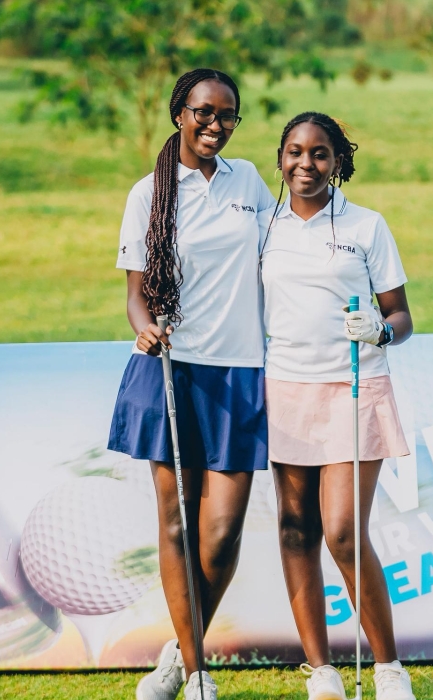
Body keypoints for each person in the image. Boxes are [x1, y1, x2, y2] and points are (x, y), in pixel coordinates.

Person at [108, 68, 275, 700]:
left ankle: (179, 652)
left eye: (227, 115)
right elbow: (134, 296)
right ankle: (198, 672)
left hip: (239, 370)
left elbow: (277, 258)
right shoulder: (146, 192)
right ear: (180, 112)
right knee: (177, 524)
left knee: (223, 530)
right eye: (203, 112)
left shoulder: (250, 181)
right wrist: (146, 328)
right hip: (169, 370)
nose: (215, 124)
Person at [259, 112, 417, 700]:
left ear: (338, 161)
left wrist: (379, 331)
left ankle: (387, 667)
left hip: (355, 387)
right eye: (295, 152)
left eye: (320, 154)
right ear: (279, 158)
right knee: (296, 528)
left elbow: (402, 317)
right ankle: (321, 670)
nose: (306, 164)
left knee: (344, 531)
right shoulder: (264, 225)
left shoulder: (367, 225)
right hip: (285, 388)